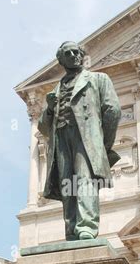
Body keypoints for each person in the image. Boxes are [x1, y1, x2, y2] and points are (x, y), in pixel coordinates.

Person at [38, 41, 121, 240]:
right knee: (68, 183)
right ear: (61, 59)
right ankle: (72, 228)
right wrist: (49, 109)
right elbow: (43, 127)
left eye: (78, 52)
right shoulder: (55, 90)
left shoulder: (99, 79)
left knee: (85, 180)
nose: (75, 55)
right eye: (69, 53)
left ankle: (87, 226)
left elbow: (113, 110)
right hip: (61, 137)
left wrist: (102, 144)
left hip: (86, 138)